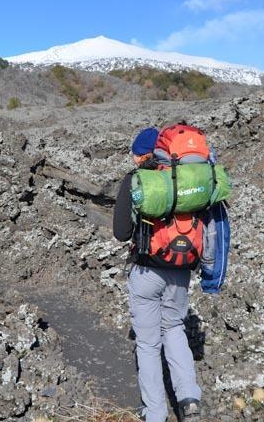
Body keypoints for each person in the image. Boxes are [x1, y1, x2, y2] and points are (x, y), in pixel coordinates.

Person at [113, 128, 202, 422]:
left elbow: (120, 233)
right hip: (180, 271)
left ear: (141, 155)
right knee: (174, 328)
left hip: (146, 269)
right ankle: (189, 399)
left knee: (149, 344)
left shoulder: (137, 179)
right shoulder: (189, 178)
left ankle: (155, 414)